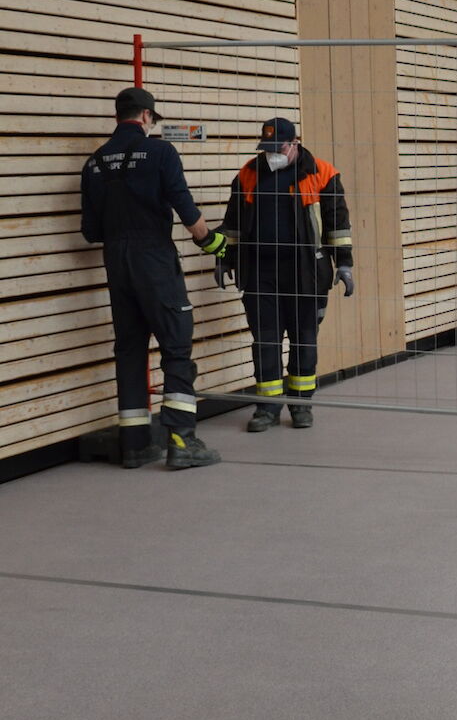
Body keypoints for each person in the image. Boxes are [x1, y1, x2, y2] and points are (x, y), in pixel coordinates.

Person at [80, 86, 226, 470]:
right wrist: (213, 243)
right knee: (176, 346)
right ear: (146, 116)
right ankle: (182, 440)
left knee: (129, 350)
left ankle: (134, 445)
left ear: (119, 116)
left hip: (116, 261)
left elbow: (90, 231)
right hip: (154, 260)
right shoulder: (161, 152)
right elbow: (184, 205)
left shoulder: (94, 162)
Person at [217, 118, 353, 431]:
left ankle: (301, 405)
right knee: (265, 341)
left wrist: (344, 263)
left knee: (305, 340)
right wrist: (225, 258)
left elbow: (338, 224)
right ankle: (267, 408)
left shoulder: (321, 173)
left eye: (277, 147)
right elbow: (233, 223)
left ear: (294, 144)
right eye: (266, 148)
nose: (271, 154)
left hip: (306, 272)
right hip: (260, 272)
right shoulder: (248, 174)